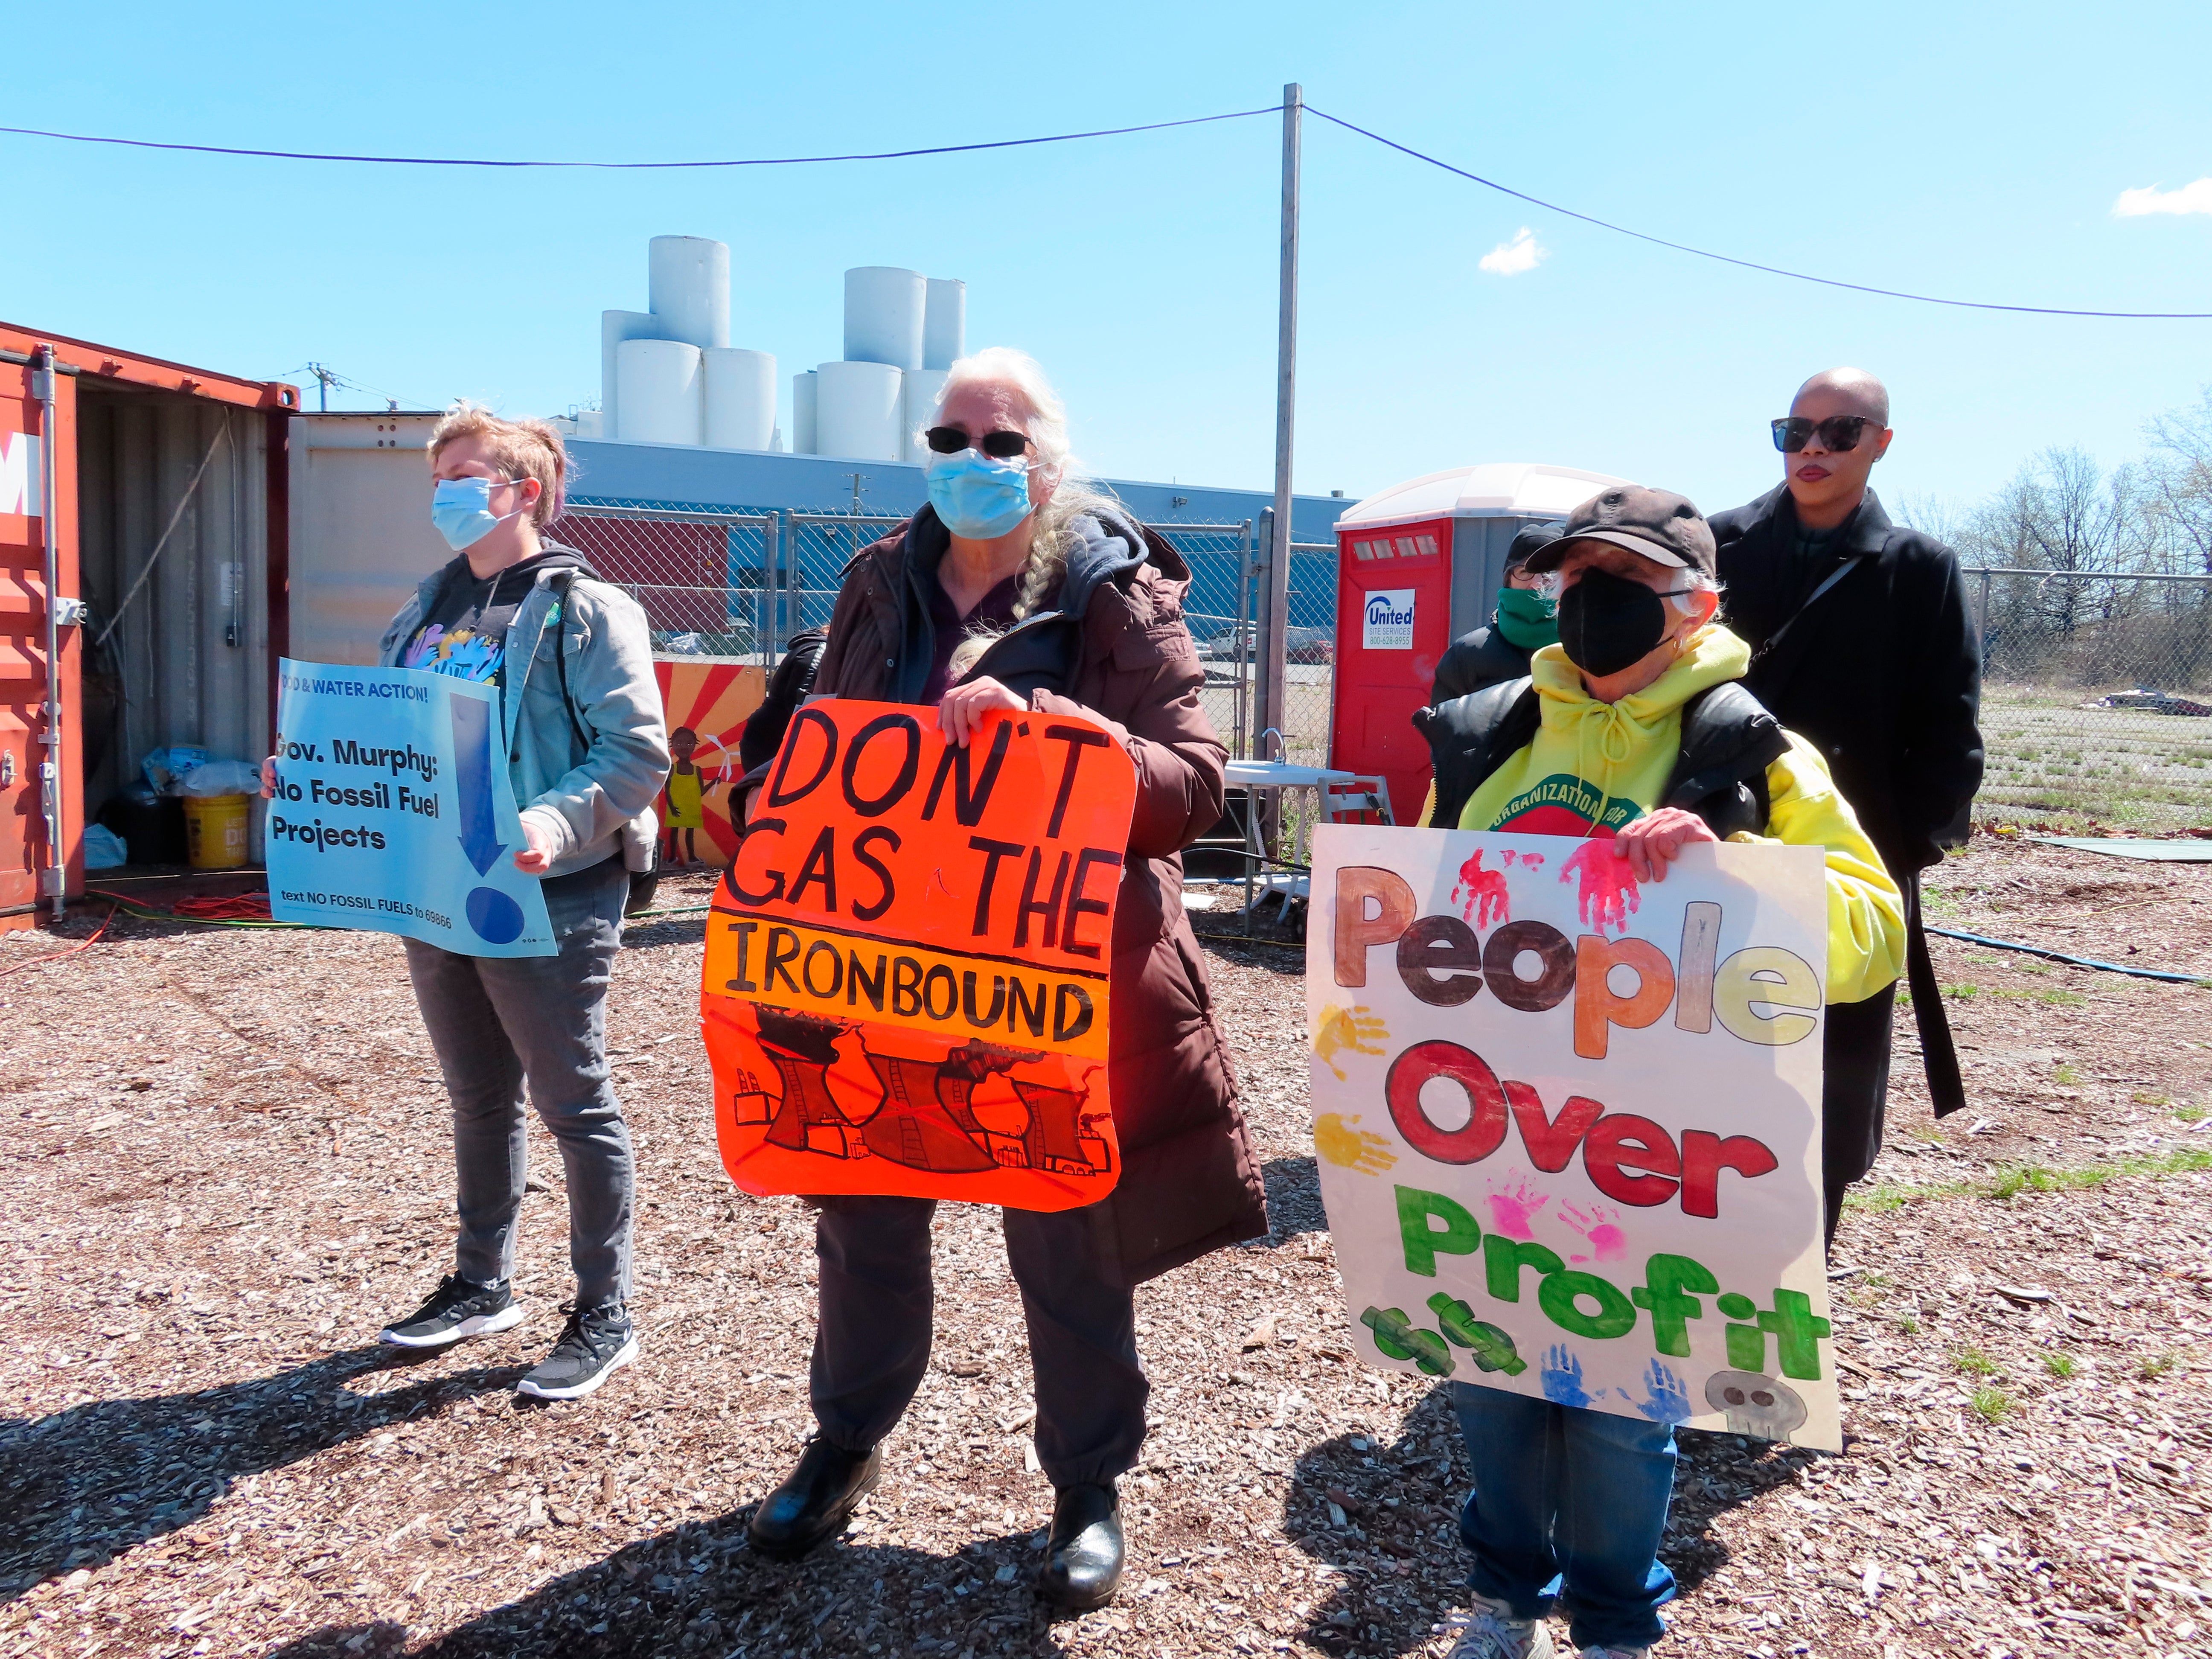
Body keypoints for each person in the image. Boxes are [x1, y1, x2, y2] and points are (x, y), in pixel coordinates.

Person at [741, 348, 1266, 1609]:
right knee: (863, 1217)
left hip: (1050, 978)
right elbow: (829, 736)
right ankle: (844, 1443)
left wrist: (1083, 745)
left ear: (1050, 459)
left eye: (1003, 440)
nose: (973, 462)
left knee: (1066, 1229)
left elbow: (1193, 783)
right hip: (884, 962)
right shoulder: (880, 579)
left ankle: (1087, 1484)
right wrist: (780, 784)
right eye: (950, 438)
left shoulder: (1113, 591)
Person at [1410, 485, 1904, 1659]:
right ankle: (1504, 1594)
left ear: (1696, 609)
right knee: (1492, 1379)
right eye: (1575, 584)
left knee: (1627, 1415)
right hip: (1496, 1134)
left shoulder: (1752, 749)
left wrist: (1733, 871)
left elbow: (1873, 930)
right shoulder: (1489, 732)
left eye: (1625, 587)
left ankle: (1618, 1619)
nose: (1593, 609)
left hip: (1653, 1153)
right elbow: (1418, 913)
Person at [265, 405, 669, 1401]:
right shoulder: (424, 611)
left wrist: (553, 821)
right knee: (478, 1098)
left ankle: (603, 1310)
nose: (444, 488)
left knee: (573, 1101)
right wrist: (310, 775)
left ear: (521, 490)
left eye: (465, 471)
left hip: (549, 890)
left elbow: (634, 754)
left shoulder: (584, 609)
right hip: (437, 891)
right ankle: (482, 1284)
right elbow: (389, 739)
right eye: (438, 473)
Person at [1708, 369, 1984, 1242]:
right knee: (1697, 1048)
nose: (1814, 450)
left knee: (1828, 1073)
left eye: (1839, 432)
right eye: (1795, 432)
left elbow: (1951, 726)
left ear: (1881, 444)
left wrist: (1901, 851)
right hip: (1712, 842)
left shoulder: (1919, 568)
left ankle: (1795, 1271)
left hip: (1843, 863)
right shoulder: (1718, 546)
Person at [1430, 521, 1564, 702]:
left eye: (1549, 574)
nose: (1537, 585)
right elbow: (1442, 725)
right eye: (1524, 572)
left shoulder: (1584, 652)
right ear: (1509, 580)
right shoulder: (1468, 654)